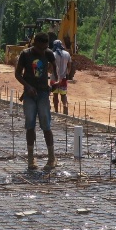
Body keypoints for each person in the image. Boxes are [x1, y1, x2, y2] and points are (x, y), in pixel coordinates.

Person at [14, 31, 56, 171]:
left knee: (46, 124)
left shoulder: (48, 53)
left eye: (45, 48)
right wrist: (28, 86)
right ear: (35, 44)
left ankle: (51, 158)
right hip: (30, 94)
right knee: (30, 123)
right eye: (40, 48)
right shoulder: (26, 54)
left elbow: (55, 69)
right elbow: (17, 74)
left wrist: (53, 83)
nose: (42, 51)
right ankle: (31, 159)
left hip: (43, 93)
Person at [49, 39, 71, 114]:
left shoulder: (53, 54)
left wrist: (50, 72)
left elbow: (50, 67)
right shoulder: (67, 54)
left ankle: (56, 111)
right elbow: (69, 66)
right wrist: (67, 73)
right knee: (63, 94)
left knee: (55, 95)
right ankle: (65, 107)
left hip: (54, 78)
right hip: (63, 78)